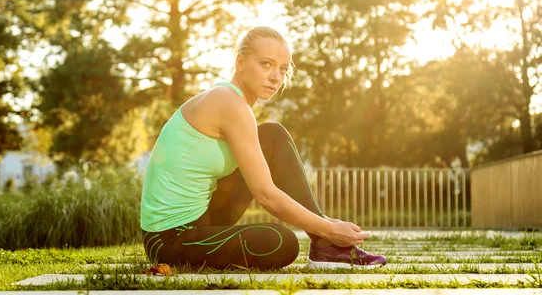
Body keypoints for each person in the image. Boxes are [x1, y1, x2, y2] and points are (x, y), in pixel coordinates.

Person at [140, 26, 387, 270]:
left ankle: (324, 245)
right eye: (266, 64)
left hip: (201, 219)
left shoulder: (233, 102)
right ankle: (327, 240)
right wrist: (331, 228)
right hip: (168, 239)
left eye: (283, 69)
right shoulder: (229, 103)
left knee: (272, 136)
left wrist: (323, 223)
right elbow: (266, 195)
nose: (276, 77)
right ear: (240, 62)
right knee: (281, 242)